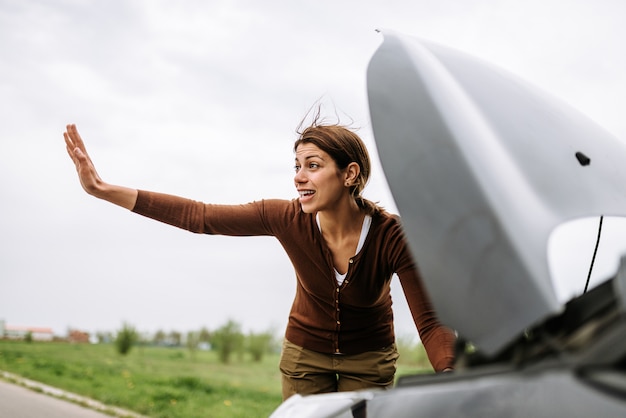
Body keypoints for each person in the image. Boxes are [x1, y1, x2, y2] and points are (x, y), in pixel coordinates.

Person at [63, 114, 455, 400]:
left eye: (313, 166)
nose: (299, 177)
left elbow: (431, 323)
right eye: (297, 166)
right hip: (305, 356)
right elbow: (200, 217)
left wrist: (453, 376)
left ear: (350, 173)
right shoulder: (284, 217)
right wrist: (102, 189)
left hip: (369, 360)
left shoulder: (393, 236)